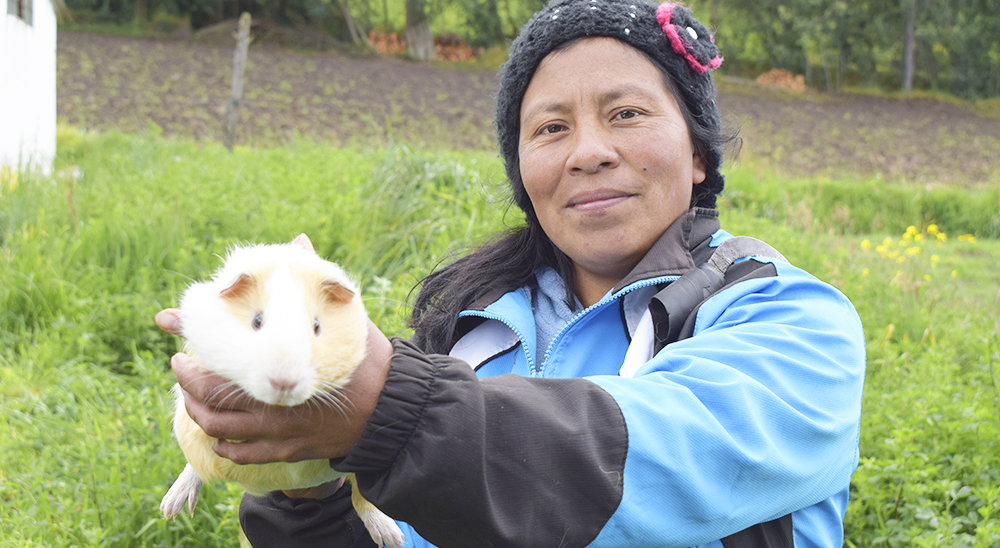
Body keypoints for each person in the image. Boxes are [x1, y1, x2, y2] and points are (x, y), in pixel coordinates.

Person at [155, 0, 866, 546]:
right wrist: (301, 486)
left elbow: (654, 457)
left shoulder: (788, 319)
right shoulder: (469, 328)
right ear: (523, 171)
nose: (588, 151)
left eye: (626, 113)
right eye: (551, 128)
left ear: (700, 153)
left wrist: (393, 414)